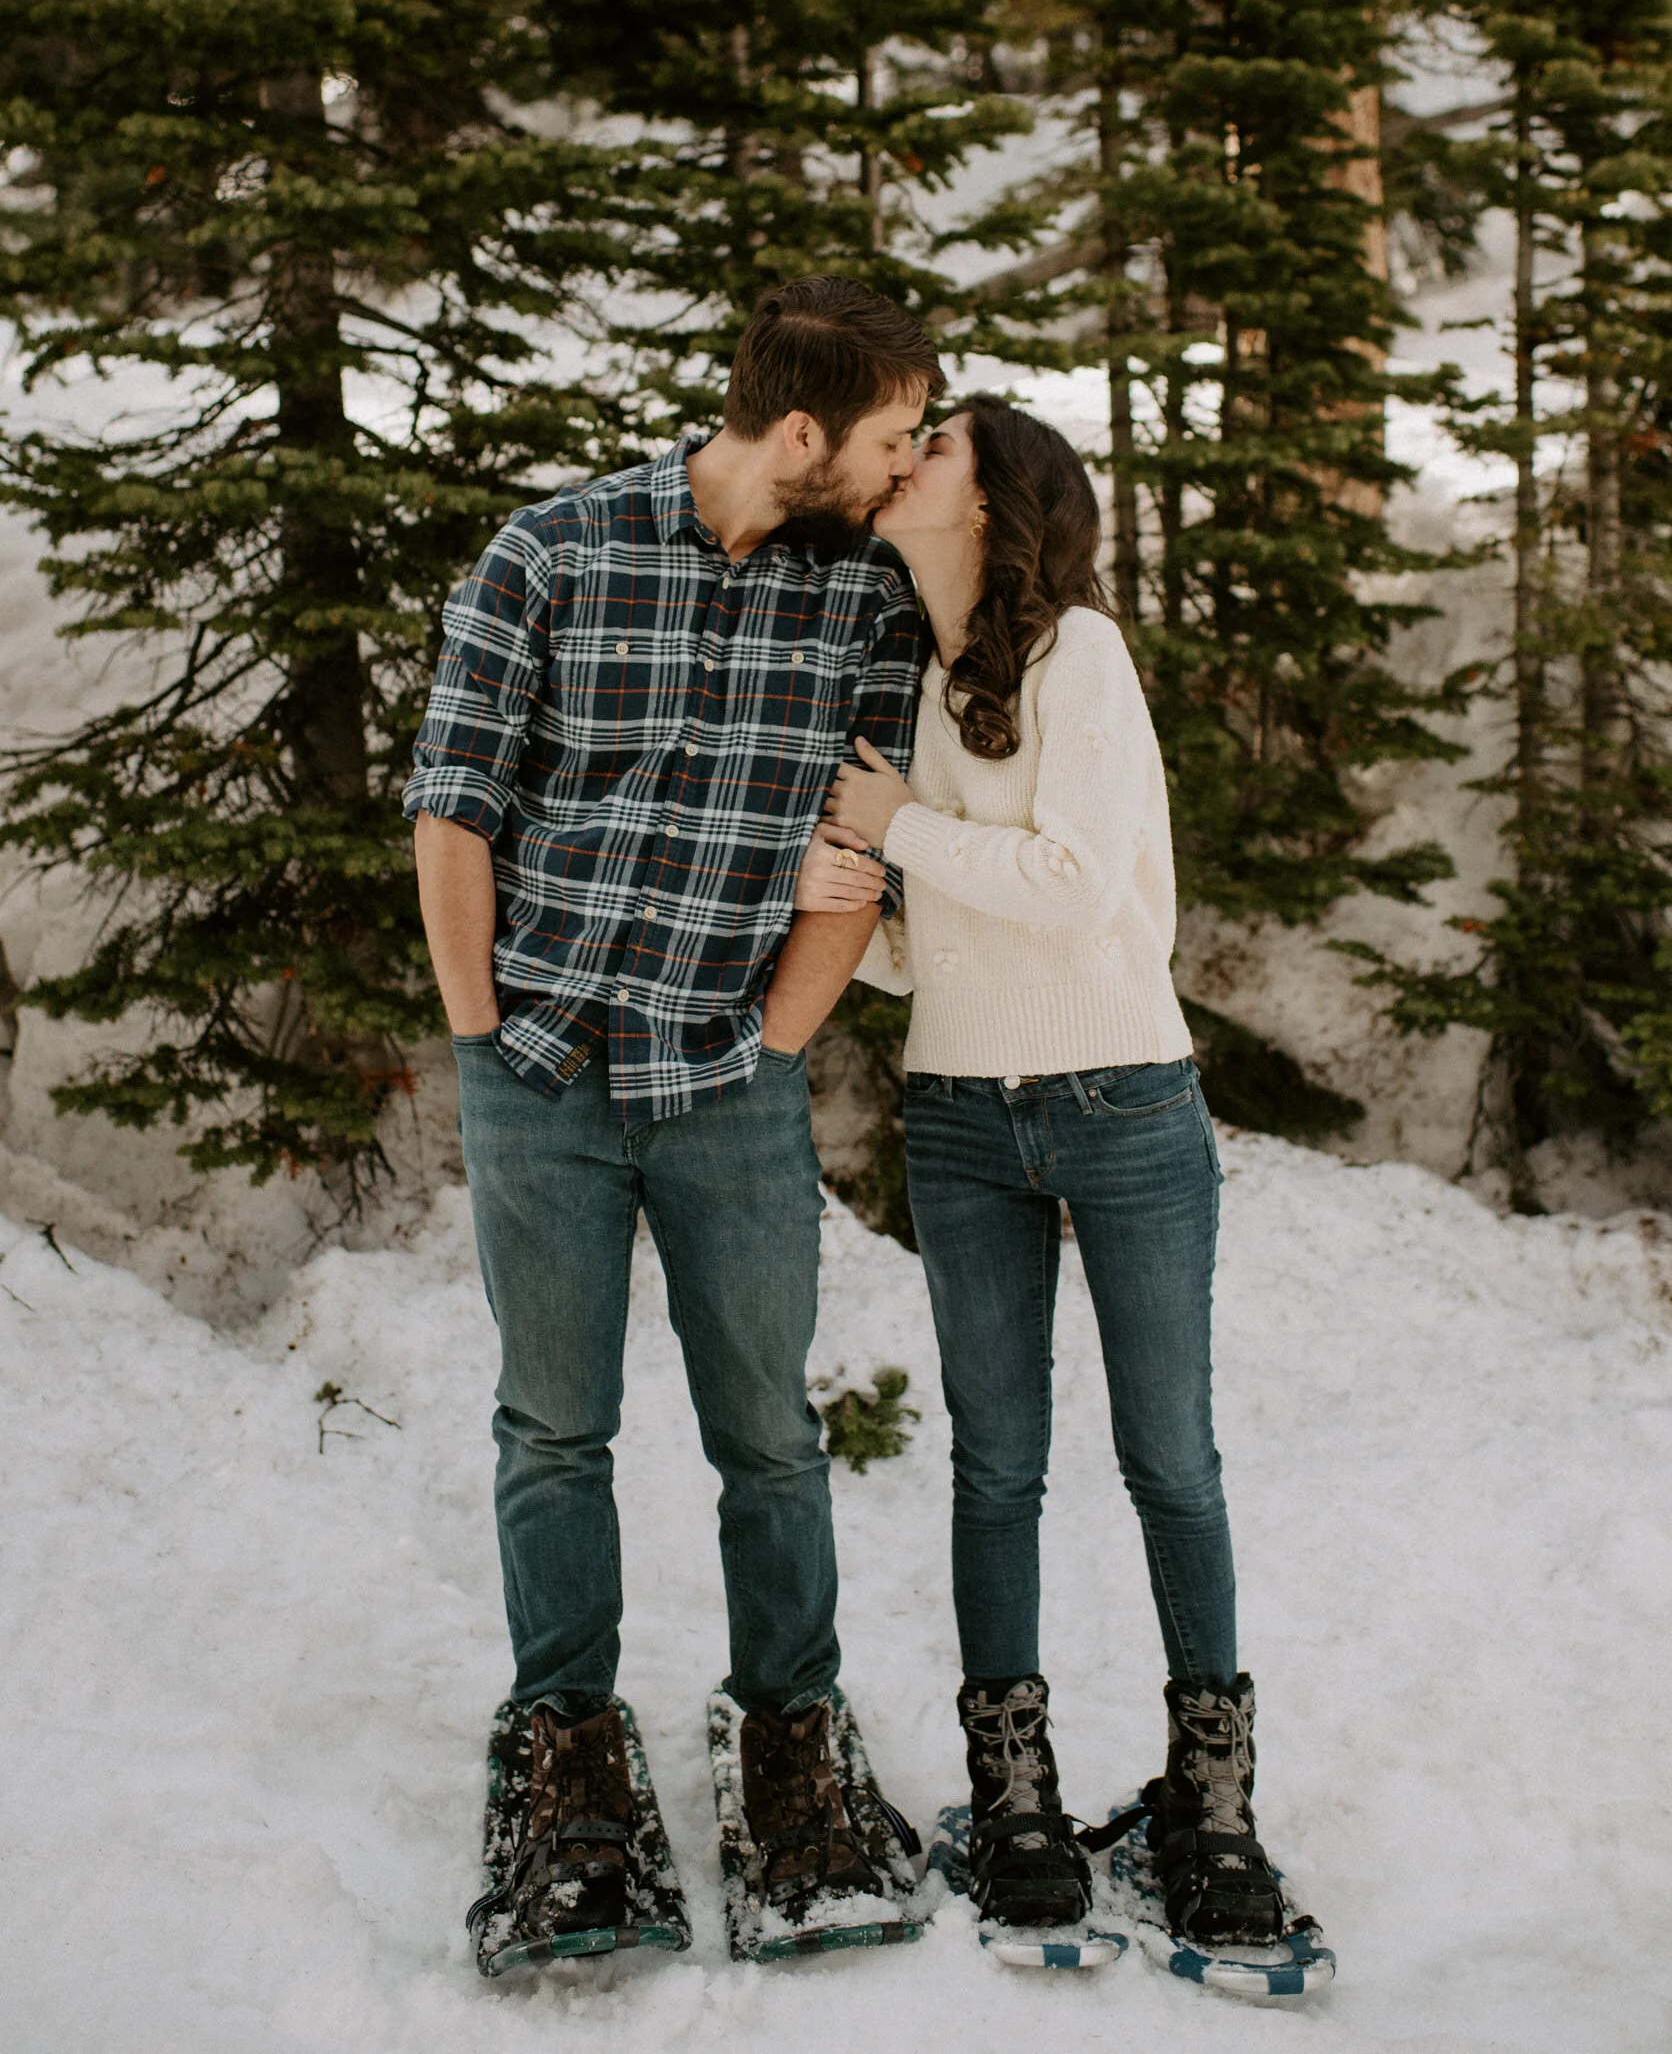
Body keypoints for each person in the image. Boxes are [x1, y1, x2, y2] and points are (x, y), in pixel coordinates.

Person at [405, 277, 935, 1957]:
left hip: (726, 1088)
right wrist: (487, 1035)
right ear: (801, 434)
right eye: (891, 435)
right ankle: (564, 1748)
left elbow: (857, 850)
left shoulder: (869, 604)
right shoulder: (549, 554)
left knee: (768, 1437)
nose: (906, 463)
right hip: (544, 1074)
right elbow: (453, 806)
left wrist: (773, 1049)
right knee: (555, 1429)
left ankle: (791, 1738)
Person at [799, 396, 1289, 1948]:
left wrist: (902, 827)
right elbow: (936, 938)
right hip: (957, 1111)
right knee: (994, 1466)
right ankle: (1014, 1793)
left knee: (1170, 1459)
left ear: (996, 501)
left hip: (1126, 1099)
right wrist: (859, 905)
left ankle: (1215, 1805)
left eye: (932, 446)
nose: (901, 460)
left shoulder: (1080, 654)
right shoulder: (917, 678)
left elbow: (1076, 889)